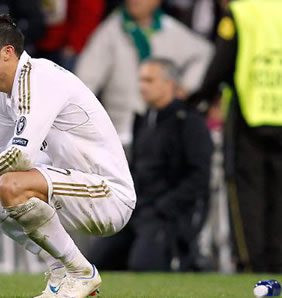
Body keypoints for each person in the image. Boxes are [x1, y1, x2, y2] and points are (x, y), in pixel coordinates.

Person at [0, 13, 135, 298]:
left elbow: (19, 156)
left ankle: (82, 273)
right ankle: (60, 272)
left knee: (10, 184)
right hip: (72, 188)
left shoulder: (38, 78)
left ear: (8, 52)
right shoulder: (6, 94)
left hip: (108, 196)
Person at [188, 0, 282, 273]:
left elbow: (221, 65)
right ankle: (278, 264)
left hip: (249, 114)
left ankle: (252, 264)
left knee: (247, 192)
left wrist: (198, 98)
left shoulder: (240, 13)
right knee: (279, 193)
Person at [93, 58, 213, 271]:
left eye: (149, 80)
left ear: (169, 84)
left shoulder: (189, 122)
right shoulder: (144, 120)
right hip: (138, 210)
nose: (142, 86)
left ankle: (191, 260)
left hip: (167, 213)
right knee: (95, 262)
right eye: (141, 80)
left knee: (144, 266)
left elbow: (199, 176)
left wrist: (165, 207)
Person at [75, 0, 212, 149]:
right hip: (120, 131)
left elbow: (204, 53)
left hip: (164, 131)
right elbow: (84, 82)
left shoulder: (169, 29)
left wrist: (184, 88)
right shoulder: (111, 30)